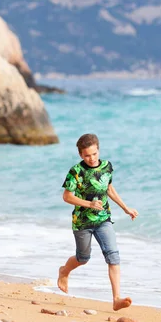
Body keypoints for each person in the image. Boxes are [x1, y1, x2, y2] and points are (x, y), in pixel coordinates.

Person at [58, 133, 138, 311]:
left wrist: (126, 208)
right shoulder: (76, 172)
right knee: (83, 258)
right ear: (81, 155)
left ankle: (116, 299)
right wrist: (89, 204)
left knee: (113, 256)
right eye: (87, 155)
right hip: (82, 222)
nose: (92, 158)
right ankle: (64, 271)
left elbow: (109, 188)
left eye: (94, 154)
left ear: (98, 150)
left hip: (103, 219)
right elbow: (67, 196)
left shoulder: (107, 166)